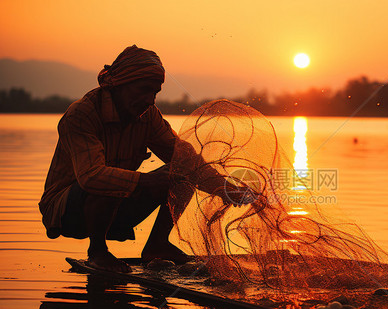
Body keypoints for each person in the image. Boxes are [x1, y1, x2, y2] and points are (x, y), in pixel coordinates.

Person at [39, 45, 253, 273]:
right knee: (106, 180)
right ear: (120, 85)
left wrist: (226, 189)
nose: (149, 100)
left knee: (181, 171)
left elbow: (187, 160)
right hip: (67, 211)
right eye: (143, 90)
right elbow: (91, 177)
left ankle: (157, 245)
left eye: (154, 92)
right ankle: (98, 252)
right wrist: (148, 181)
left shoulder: (148, 116)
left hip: (117, 205)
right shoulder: (82, 115)